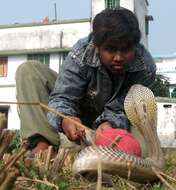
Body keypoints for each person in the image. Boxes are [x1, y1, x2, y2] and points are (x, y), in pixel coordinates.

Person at [16, 8, 156, 154]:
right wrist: (65, 119)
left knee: (143, 153)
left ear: (135, 46)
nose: (118, 57)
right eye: (111, 50)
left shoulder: (145, 68)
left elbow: (125, 108)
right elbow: (62, 96)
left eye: (126, 50)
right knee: (28, 71)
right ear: (96, 46)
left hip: (116, 124)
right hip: (79, 115)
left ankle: (93, 150)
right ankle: (42, 146)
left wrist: (109, 123)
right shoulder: (80, 54)